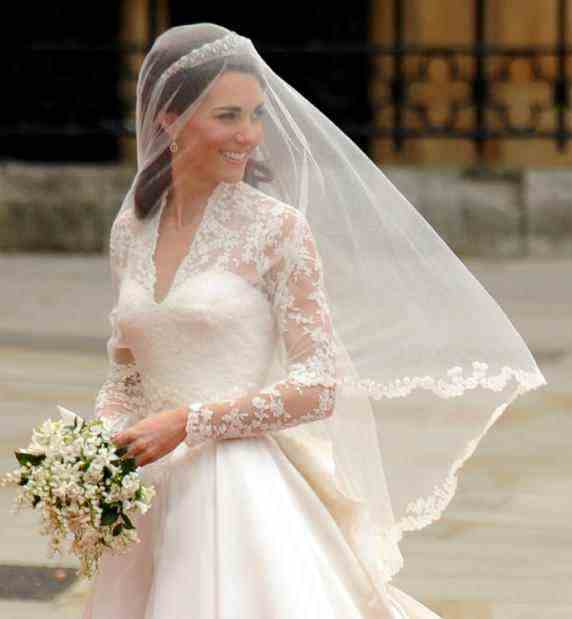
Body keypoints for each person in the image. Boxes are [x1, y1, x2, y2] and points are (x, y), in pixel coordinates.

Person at [80, 22, 546, 618]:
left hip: (240, 486)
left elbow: (319, 386)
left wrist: (190, 423)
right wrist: (102, 444)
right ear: (169, 118)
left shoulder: (275, 230)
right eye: (227, 116)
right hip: (148, 490)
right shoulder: (131, 230)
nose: (248, 136)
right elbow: (128, 375)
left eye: (255, 115)